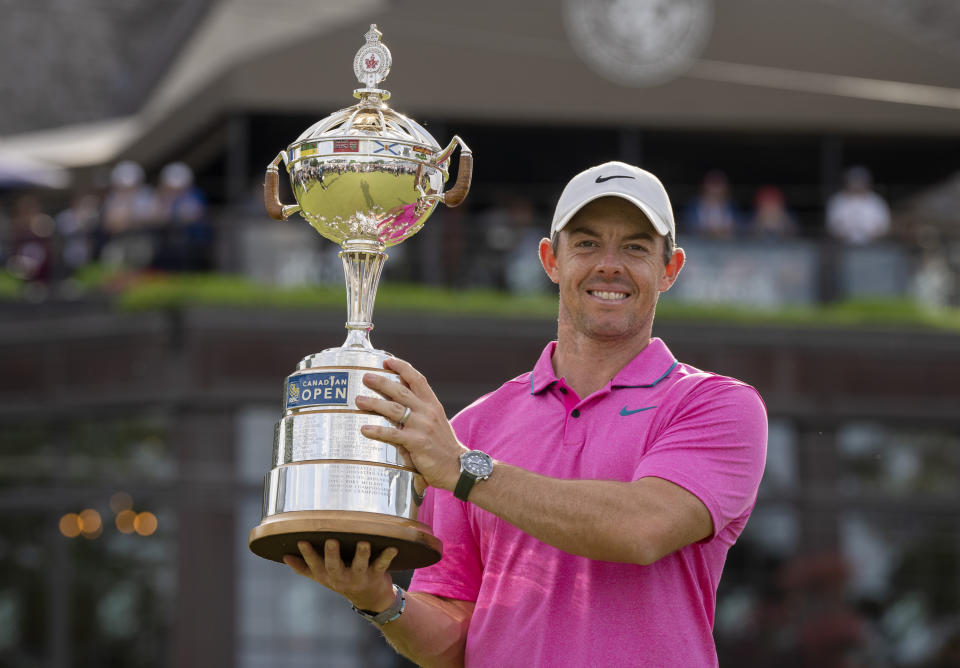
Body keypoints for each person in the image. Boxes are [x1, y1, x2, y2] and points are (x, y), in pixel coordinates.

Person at [283, 161, 768, 667]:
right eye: (585, 243)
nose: (609, 264)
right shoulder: (473, 429)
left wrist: (467, 471)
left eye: (636, 247)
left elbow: (643, 528)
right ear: (550, 260)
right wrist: (379, 600)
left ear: (670, 269)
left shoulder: (716, 405)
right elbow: (455, 640)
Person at [825, 166, 890, 244]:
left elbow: (884, 227)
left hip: (872, 246)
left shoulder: (877, 202)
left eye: (860, 181)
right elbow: (832, 225)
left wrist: (869, 236)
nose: (857, 184)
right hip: (843, 246)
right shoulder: (837, 201)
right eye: (854, 181)